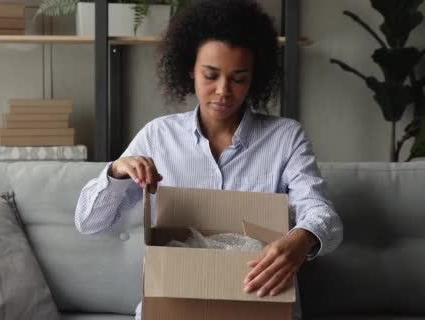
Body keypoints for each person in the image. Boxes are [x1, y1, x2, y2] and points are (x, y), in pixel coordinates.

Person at [75, 0, 343, 318]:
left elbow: (323, 215)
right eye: (210, 75)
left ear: (255, 77)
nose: (223, 91)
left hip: (257, 304)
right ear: (190, 69)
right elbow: (89, 223)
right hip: (173, 306)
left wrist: (302, 240)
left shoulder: (286, 138)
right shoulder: (158, 136)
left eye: (238, 78)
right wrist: (117, 172)